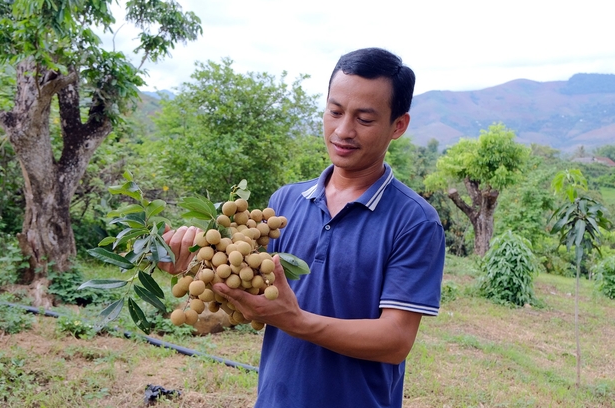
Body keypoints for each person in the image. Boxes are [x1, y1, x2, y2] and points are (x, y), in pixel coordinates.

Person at [160, 47, 445, 408]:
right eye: (335, 111)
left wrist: (297, 321)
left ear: (398, 126)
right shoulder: (285, 204)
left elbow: (395, 341)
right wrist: (191, 265)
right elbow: (247, 299)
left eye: (365, 119)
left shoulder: (415, 222)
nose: (343, 130)